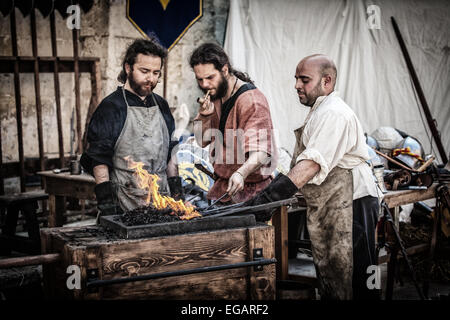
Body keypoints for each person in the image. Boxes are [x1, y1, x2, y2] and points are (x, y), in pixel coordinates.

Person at [246, 54, 381, 300]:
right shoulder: (320, 111)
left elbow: (309, 165)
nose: (296, 85)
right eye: (296, 79)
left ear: (327, 81)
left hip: (352, 201)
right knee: (333, 270)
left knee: (354, 276)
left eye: (304, 79)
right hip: (335, 203)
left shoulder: (334, 114)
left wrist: (269, 198)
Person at [80, 38, 181, 218]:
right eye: (144, 71)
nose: (151, 78)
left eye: (156, 73)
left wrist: (177, 193)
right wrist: (106, 204)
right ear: (128, 68)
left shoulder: (162, 106)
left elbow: (171, 154)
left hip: (161, 202)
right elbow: (99, 159)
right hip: (125, 202)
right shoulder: (111, 107)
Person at [190, 43, 277, 205]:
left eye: (210, 78)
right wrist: (204, 116)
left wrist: (241, 174)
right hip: (223, 190)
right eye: (199, 79)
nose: (204, 85)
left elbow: (261, 152)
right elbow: (201, 140)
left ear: (225, 70)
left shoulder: (252, 101)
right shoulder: (216, 95)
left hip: (251, 194)